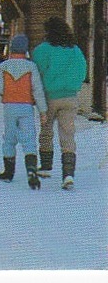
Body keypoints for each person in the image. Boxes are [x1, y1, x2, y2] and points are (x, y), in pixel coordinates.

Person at [33, 16, 89, 189]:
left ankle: (46, 166)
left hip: (49, 96)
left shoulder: (43, 49)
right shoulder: (75, 50)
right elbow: (83, 70)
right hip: (70, 97)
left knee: (46, 130)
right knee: (67, 133)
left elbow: (36, 71)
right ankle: (68, 174)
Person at [0, 32, 48, 188]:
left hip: (10, 107)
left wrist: (7, 92)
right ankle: (31, 170)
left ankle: (8, 172)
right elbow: (37, 90)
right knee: (29, 140)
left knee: (9, 139)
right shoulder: (31, 67)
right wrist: (43, 111)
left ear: (11, 49)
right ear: (25, 50)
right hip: (26, 107)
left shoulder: (4, 66)